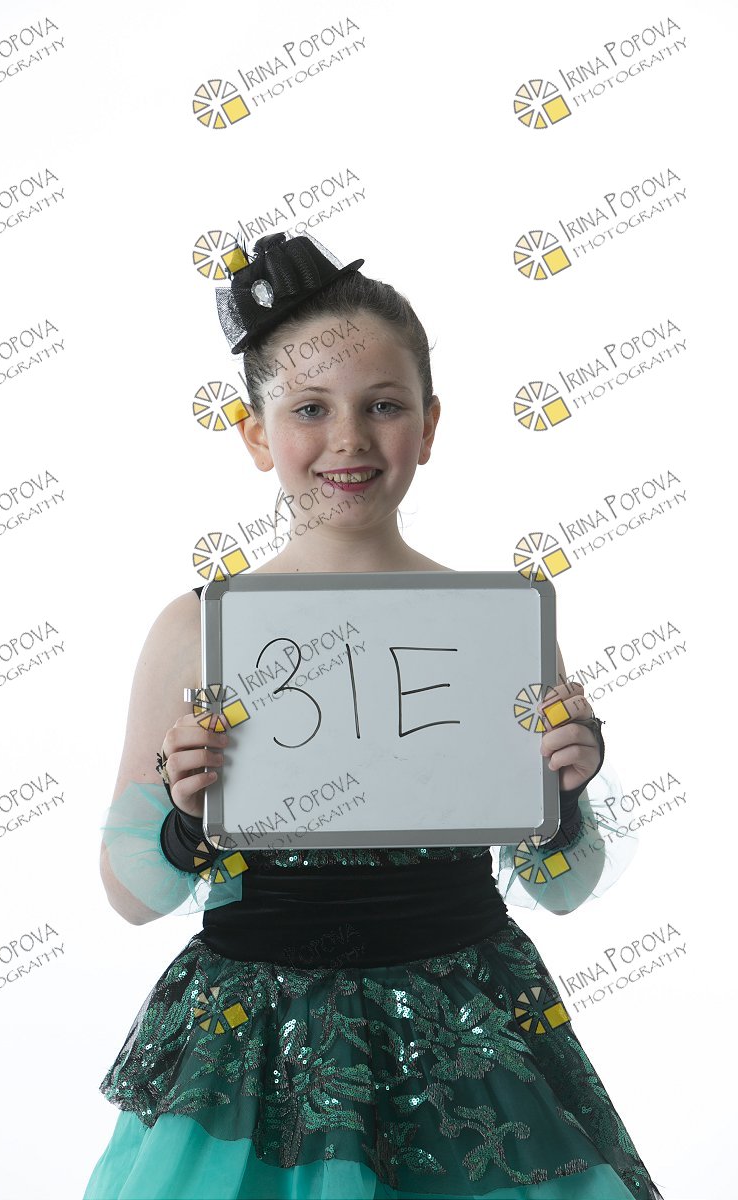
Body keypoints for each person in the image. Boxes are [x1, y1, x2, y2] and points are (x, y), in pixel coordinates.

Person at [84, 232, 665, 1200]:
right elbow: (131, 894)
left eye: (383, 406)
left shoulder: (496, 626)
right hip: (257, 1033)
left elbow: (563, 886)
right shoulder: (197, 630)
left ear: (428, 427)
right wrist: (186, 819)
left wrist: (563, 796)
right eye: (310, 409)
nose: (348, 438)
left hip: (465, 1022)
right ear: (257, 435)